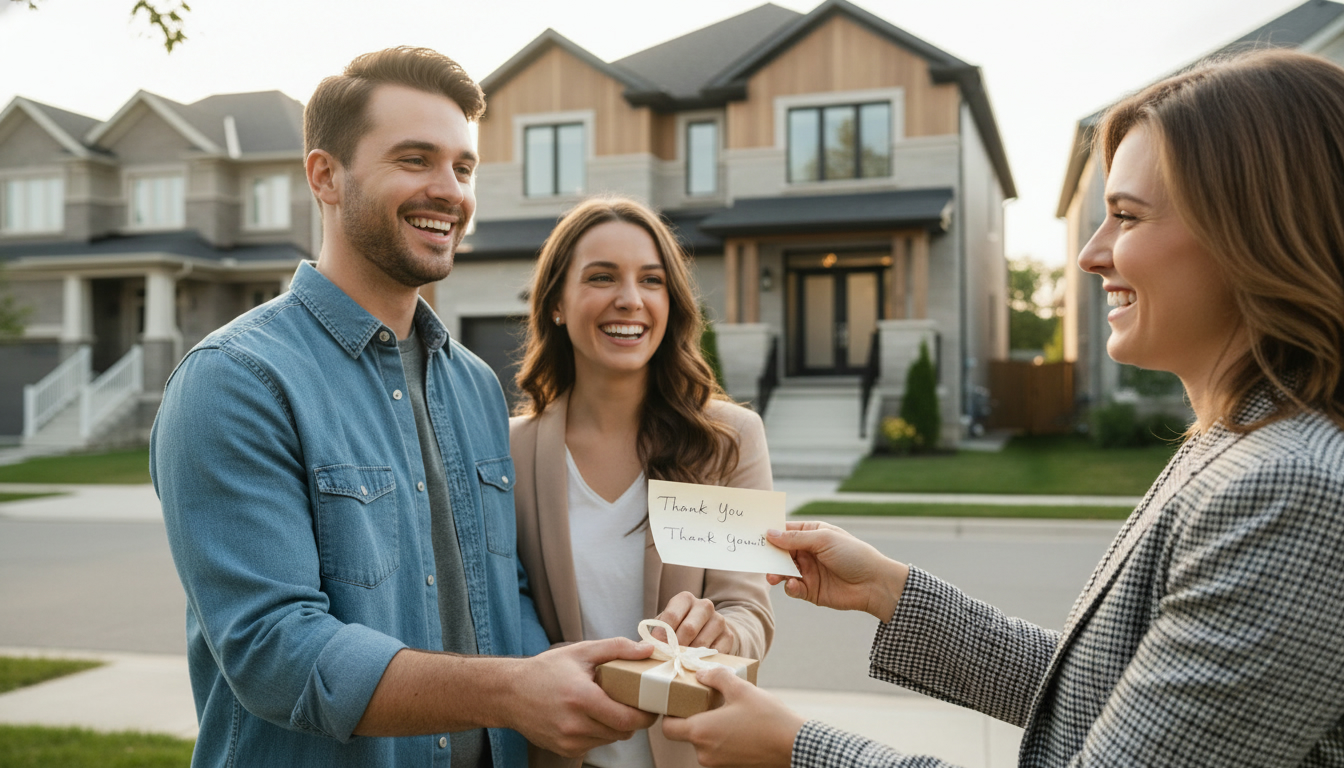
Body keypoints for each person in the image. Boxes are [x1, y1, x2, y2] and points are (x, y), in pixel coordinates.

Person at [662, 48, 1344, 767]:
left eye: (1126, 216)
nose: (1090, 255)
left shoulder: (1290, 488)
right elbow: (1099, 699)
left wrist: (795, 748)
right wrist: (890, 591)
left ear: (1254, 233)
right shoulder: (1237, 444)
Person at [150, 47, 658, 768]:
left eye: (463, 166)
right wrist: (513, 691)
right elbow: (273, 650)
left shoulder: (478, 385)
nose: (449, 190)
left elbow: (503, 595)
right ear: (325, 175)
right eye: (415, 159)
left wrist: (596, 676)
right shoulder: (236, 381)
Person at [509, 196, 775, 768]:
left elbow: (750, 613)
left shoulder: (728, 441)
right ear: (557, 303)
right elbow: (504, 612)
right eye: (602, 277)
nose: (629, 299)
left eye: (651, 280)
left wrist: (722, 632)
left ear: (670, 302)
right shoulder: (509, 451)